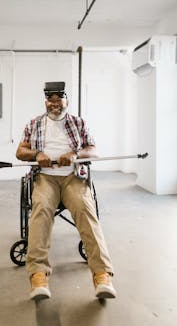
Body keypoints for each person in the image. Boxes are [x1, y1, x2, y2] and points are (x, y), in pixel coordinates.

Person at [16, 81, 116, 301]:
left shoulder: (78, 123)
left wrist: (74, 154)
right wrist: (36, 155)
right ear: (45, 101)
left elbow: (93, 149)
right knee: (41, 209)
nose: (54, 104)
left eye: (58, 99)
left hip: (73, 177)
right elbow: (20, 151)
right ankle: (38, 275)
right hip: (45, 178)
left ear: (66, 101)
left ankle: (102, 275)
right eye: (50, 100)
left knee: (84, 208)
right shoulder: (34, 124)